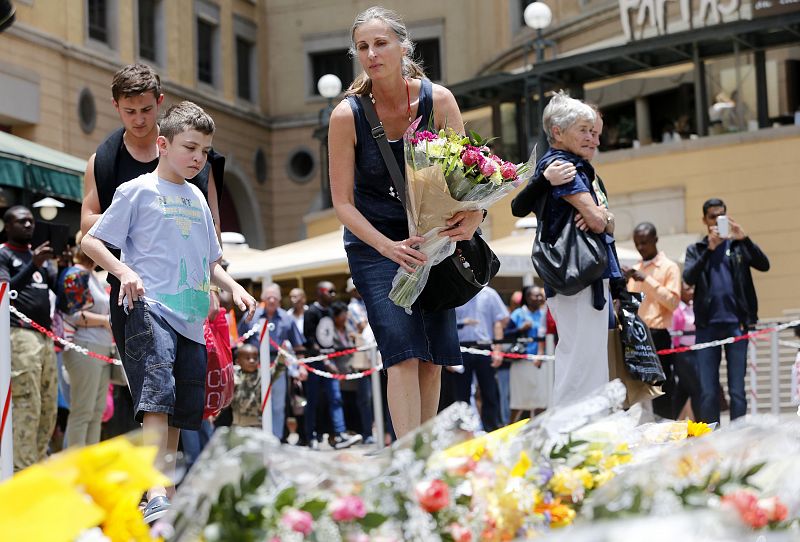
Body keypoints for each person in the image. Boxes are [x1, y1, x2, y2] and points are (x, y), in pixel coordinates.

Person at [81, 101, 256, 522]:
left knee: (178, 409)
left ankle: (166, 493)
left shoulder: (197, 197)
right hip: (149, 309)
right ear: (163, 144)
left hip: (191, 319)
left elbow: (211, 261)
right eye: (190, 147)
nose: (198, 158)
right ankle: (155, 490)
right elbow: (91, 241)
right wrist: (124, 272)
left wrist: (234, 288)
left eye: (204, 151)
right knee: (157, 400)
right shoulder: (136, 190)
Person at [328, 6, 482, 438]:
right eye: (363, 47)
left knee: (432, 357)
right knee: (402, 353)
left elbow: (469, 175)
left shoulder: (439, 100)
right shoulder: (346, 116)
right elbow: (342, 204)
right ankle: (406, 455)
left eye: (381, 43)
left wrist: (474, 215)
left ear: (403, 47)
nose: (372, 53)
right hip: (375, 247)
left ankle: (424, 454)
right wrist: (386, 247)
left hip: (433, 240)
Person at [80, 63, 226, 438]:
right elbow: (87, 226)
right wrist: (138, 218)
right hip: (134, 291)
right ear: (116, 107)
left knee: (179, 401)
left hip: (186, 293)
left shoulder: (192, 154)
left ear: (159, 103)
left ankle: (164, 472)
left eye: (146, 109)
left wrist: (212, 285)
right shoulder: (106, 159)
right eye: (130, 111)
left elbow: (211, 229)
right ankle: (154, 471)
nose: (140, 119)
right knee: (152, 394)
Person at [511, 92, 621, 407]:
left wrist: (604, 218)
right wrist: (603, 218)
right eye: (584, 130)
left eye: (595, 132)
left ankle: (585, 425)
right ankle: (574, 427)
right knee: (581, 363)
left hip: (578, 275)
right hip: (578, 274)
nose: (593, 139)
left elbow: (602, 219)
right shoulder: (563, 165)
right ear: (558, 132)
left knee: (585, 359)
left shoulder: (563, 166)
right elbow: (597, 220)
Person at [683, 198, 769, 424]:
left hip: (736, 325)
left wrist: (745, 238)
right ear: (704, 220)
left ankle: (738, 437)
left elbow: (764, 265)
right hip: (706, 327)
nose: (716, 221)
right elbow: (688, 277)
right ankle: (712, 436)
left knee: (737, 390)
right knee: (708, 391)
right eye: (712, 217)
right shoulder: (697, 249)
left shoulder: (738, 246)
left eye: (721, 216)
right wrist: (709, 250)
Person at [0, 206, 57, 471]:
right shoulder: (4, 254)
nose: (28, 225)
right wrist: (33, 264)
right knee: (27, 403)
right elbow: (5, 293)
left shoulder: (40, 258)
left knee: (48, 405)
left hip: (45, 337)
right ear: (7, 226)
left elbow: (62, 298)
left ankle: (37, 468)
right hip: (19, 334)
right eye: (21, 221)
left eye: (31, 221)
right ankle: (21, 471)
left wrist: (59, 268)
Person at [57, 232, 115, 447]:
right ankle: (75, 464)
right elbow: (73, 314)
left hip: (100, 348)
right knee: (82, 412)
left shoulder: (92, 276)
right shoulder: (75, 274)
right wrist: (105, 321)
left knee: (97, 412)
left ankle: (89, 463)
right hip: (83, 346)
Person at [624, 222, 681, 418]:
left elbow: (673, 303)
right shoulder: (635, 269)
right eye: (637, 243)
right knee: (635, 391)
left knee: (661, 390)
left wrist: (646, 280)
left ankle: (665, 429)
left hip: (658, 335)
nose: (640, 247)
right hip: (634, 337)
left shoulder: (669, 267)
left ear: (655, 240)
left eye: (644, 243)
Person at [238, 282, 304, 440]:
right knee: (253, 403)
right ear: (263, 298)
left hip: (278, 366)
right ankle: (257, 439)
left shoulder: (286, 318)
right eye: (269, 297)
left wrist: (301, 367)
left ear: (280, 299)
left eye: (275, 297)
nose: (272, 300)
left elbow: (298, 346)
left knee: (278, 404)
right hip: (253, 366)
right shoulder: (251, 315)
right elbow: (239, 340)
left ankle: (275, 439)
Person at [303, 281, 362, 449]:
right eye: (330, 291)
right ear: (319, 292)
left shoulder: (330, 311)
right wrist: (325, 360)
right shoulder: (311, 312)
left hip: (330, 361)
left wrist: (330, 360)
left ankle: (340, 434)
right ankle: (310, 436)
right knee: (313, 400)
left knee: (336, 398)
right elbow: (310, 340)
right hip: (314, 363)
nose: (333, 295)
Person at [453, 286, 508, 432]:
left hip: (484, 347)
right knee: (461, 394)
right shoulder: (457, 290)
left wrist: (498, 349)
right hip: (461, 348)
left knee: (490, 391)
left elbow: (499, 322)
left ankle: (492, 429)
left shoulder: (489, 294)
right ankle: (463, 432)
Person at [508, 286, 550, 421]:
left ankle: (538, 428)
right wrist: (521, 329)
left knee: (540, 400)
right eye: (536, 295)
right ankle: (511, 427)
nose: (539, 298)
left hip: (539, 362)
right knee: (519, 401)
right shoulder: (518, 314)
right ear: (527, 298)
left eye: (540, 295)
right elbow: (506, 334)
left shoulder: (544, 314)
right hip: (521, 362)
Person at [670, 282, 701, 419]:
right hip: (683, 354)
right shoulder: (677, 309)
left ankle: (671, 418)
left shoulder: (694, 306)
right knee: (695, 388)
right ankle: (700, 420)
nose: (692, 291)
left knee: (683, 390)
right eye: (687, 289)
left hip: (697, 351)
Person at [231, 344, 261, 428]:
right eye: (247, 358)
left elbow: (277, 369)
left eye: (255, 358)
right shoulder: (234, 374)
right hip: (237, 422)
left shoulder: (262, 375)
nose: (252, 361)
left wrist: (282, 357)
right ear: (238, 361)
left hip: (257, 423)